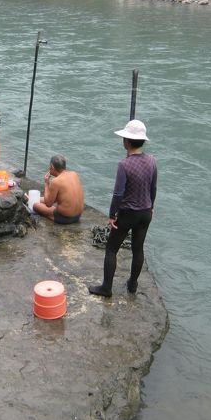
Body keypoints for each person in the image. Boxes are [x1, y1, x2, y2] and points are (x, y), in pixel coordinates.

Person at [88, 119, 157, 296]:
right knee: (138, 248)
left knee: (111, 249)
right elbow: (153, 187)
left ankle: (106, 288)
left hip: (128, 214)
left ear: (126, 141)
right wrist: (151, 206)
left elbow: (118, 194)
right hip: (145, 212)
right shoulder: (151, 161)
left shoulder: (124, 165)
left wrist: (112, 215)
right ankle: (133, 285)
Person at [32, 154, 84, 224]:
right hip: (78, 216)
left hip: (65, 218)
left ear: (52, 167)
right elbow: (57, 198)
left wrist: (46, 183)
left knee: (35, 205)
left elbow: (48, 203)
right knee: (53, 200)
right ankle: (30, 198)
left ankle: (51, 216)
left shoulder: (56, 181)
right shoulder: (74, 174)